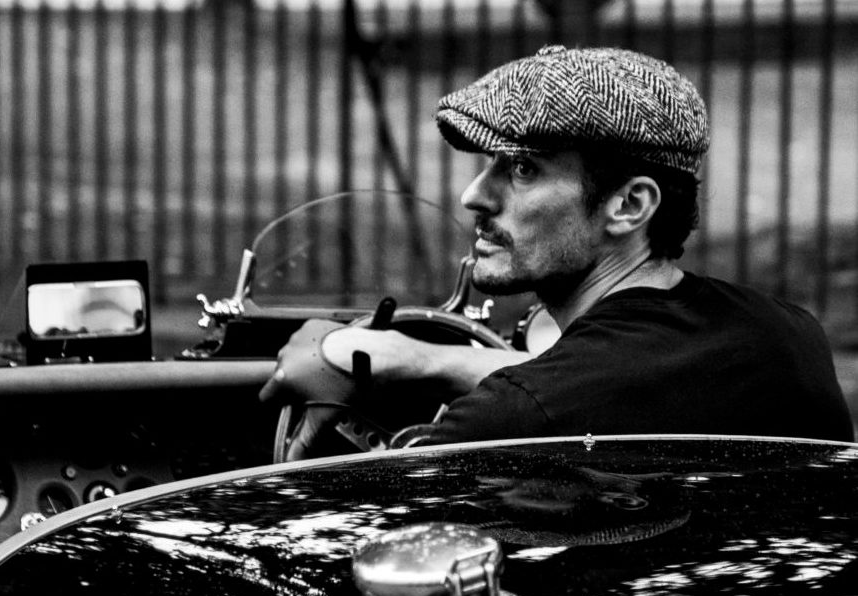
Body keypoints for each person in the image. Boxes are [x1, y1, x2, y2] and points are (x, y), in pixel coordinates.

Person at [260, 45, 854, 446]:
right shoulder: (789, 338)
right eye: (490, 164)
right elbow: (629, 380)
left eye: (523, 170)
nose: (473, 195)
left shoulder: (512, 424)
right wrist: (421, 359)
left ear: (629, 205)